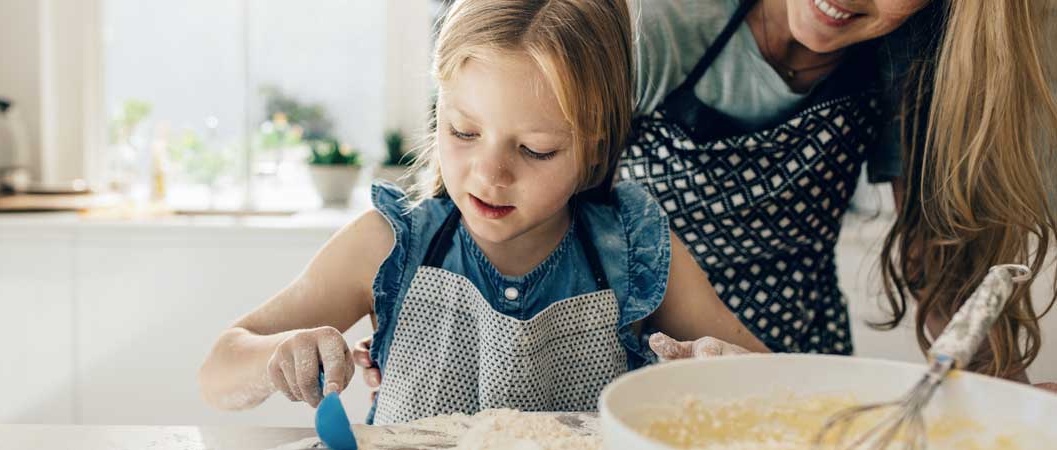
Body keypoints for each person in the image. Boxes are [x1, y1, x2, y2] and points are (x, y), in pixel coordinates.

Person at [198, 0, 768, 425]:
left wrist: (723, 374)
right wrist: (279, 353)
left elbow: (780, 382)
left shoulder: (634, 244)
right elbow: (218, 372)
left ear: (596, 144)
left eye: (535, 149)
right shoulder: (390, 242)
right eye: (463, 131)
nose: (489, 174)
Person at [619, 0, 1057, 387]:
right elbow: (573, 219)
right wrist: (759, 375)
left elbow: (937, 260)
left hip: (808, 352)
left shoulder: (907, 57)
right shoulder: (656, 20)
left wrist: (1008, 396)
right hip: (659, 359)